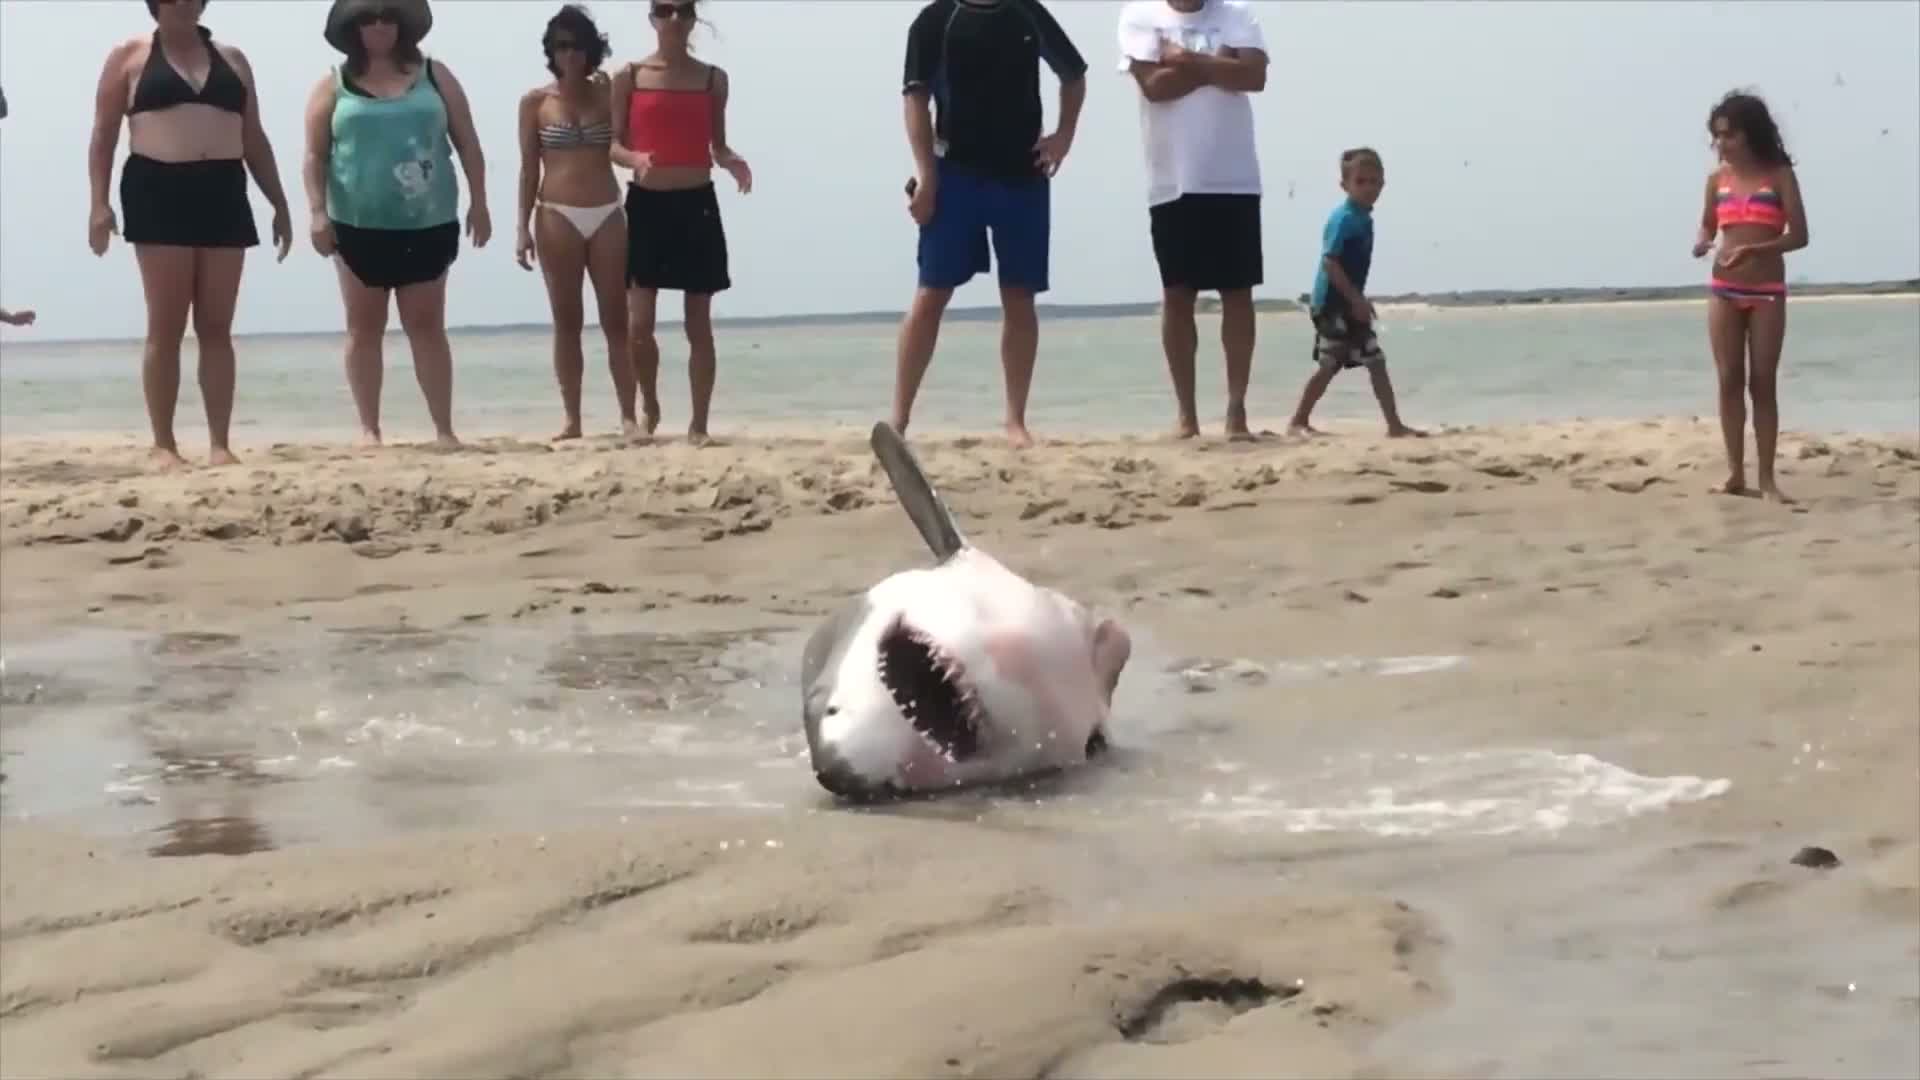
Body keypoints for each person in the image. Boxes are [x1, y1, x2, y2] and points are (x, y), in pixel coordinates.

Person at [86, 0, 293, 470]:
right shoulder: (129, 56)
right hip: (157, 187)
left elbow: (254, 136)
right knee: (166, 324)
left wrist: (278, 202)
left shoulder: (233, 58)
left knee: (217, 326)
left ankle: (220, 443)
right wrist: (99, 205)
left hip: (223, 187)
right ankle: (164, 443)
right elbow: (103, 135)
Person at [894, 0, 1088, 449]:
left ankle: (1015, 421)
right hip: (954, 173)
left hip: (1022, 173)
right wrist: (926, 177)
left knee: (1019, 297)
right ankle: (899, 419)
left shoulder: (1026, 12)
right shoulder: (935, 19)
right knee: (931, 293)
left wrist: (1063, 138)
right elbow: (915, 100)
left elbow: (1073, 75)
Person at [303, 0, 489, 449]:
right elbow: (314, 155)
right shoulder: (334, 85)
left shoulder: (434, 76)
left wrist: (480, 202)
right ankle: (370, 429)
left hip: (428, 220)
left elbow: (467, 141)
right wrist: (316, 212)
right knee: (363, 328)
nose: (380, 25)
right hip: (356, 222)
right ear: (354, 28)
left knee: (426, 326)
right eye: (368, 18)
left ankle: (444, 429)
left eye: (388, 16)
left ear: (402, 24)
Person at [1117, 0, 1269, 441]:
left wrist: (1187, 61)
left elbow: (1255, 77)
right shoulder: (1140, 16)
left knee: (1237, 295)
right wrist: (1220, 66)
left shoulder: (1238, 15)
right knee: (1178, 296)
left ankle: (1236, 411)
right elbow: (1155, 87)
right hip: (1173, 181)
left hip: (1234, 178)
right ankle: (1187, 415)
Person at [608, 0, 751, 447]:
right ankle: (649, 400)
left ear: (693, 19)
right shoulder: (628, 77)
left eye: (683, 10)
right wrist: (634, 158)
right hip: (648, 204)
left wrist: (732, 161)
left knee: (698, 324)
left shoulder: (712, 79)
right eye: (664, 9)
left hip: (696, 204)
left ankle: (699, 425)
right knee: (639, 325)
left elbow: (718, 145)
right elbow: (612, 145)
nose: (674, 19)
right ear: (651, 17)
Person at [516, 5, 640, 443]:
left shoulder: (607, 94)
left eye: (577, 45)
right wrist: (520, 228)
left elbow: (628, 136)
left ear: (592, 49)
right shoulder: (535, 102)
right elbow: (529, 168)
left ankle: (629, 415)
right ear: (551, 51)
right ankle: (572, 418)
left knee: (616, 319)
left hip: (606, 210)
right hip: (556, 213)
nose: (569, 54)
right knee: (566, 320)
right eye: (561, 46)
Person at [1693, 90, 1809, 503]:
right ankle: (1734, 474)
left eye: (1729, 135)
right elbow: (1708, 225)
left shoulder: (1778, 174)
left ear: (1750, 133)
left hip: (1767, 291)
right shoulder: (1716, 179)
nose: (1721, 144)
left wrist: (1755, 250)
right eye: (1717, 136)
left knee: (1762, 383)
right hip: (1724, 287)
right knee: (1728, 381)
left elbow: (1799, 236)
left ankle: (1768, 479)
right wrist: (1703, 242)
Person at [1285, 147, 1423, 439]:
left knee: (1373, 360)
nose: (1369, 188)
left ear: (1383, 184)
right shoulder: (1344, 218)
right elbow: (1330, 262)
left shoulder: (1364, 218)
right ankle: (1298, 420)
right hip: (1332, 305)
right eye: (1361, 181)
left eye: (1374, 181)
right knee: (1330, 364)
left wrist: (1359, 299)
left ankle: (1394, 425)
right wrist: (1354, 300)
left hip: (1349, 303)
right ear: (1344, 185)